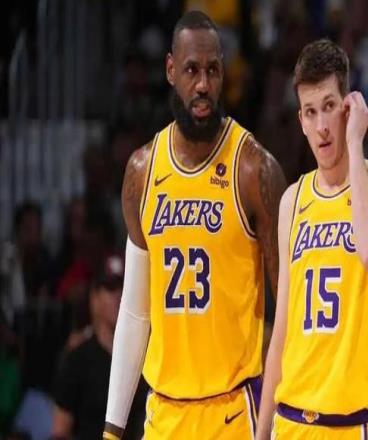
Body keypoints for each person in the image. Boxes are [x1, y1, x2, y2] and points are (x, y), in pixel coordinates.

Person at [103, 10, 286, 440]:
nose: (203, 84)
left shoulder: (254, 170)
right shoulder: (142, 171)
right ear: (170, 70)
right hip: (163, 413)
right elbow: (135, 310)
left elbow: (288, 310)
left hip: (234, 411)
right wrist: (112, 428)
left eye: (212, 71)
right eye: (191, 70)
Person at [256, 39, 368, 439]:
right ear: (301, 121)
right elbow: (282, 330)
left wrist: (355, 144)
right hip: (290, 421)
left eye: (329, 106)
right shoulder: (293, 200)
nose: (322, 126)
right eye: (310, 112)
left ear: (349, 107)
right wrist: (261, 431)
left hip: (353, 425)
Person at [53, 254, 147, 440]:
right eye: (110, 288)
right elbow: (60, 431)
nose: (119, 296)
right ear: (94, 298)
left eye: (124, 288)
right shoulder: (77, 360)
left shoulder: (145, 358)